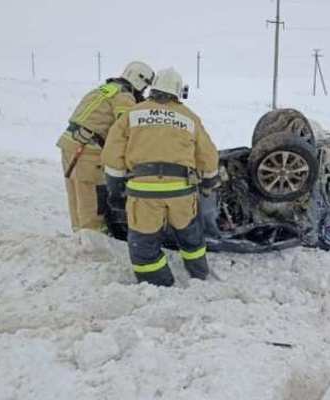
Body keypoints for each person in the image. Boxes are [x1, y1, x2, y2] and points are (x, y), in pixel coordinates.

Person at [102, 68, 219, 286]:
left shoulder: (132, 114)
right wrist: (209, 181)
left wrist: (116, 187)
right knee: (190, 236)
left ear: (153, 88)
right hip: (181, 191)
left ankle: (159, 283)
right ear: (178, 91)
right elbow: (208, 156)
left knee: (144, 243)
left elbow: (112, 153)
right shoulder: (189, 117)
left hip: (143, 192)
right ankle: (200, 274)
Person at [57, 61, 155, 233]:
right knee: (94, 202)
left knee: (77, 197)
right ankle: (94, 242)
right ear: (139, 80)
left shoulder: (104, 89)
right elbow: (129, 128)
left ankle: (79, 237)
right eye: (144, 87)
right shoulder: (124, 96)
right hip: (88, 152)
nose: (143, 92)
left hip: (69, 144)